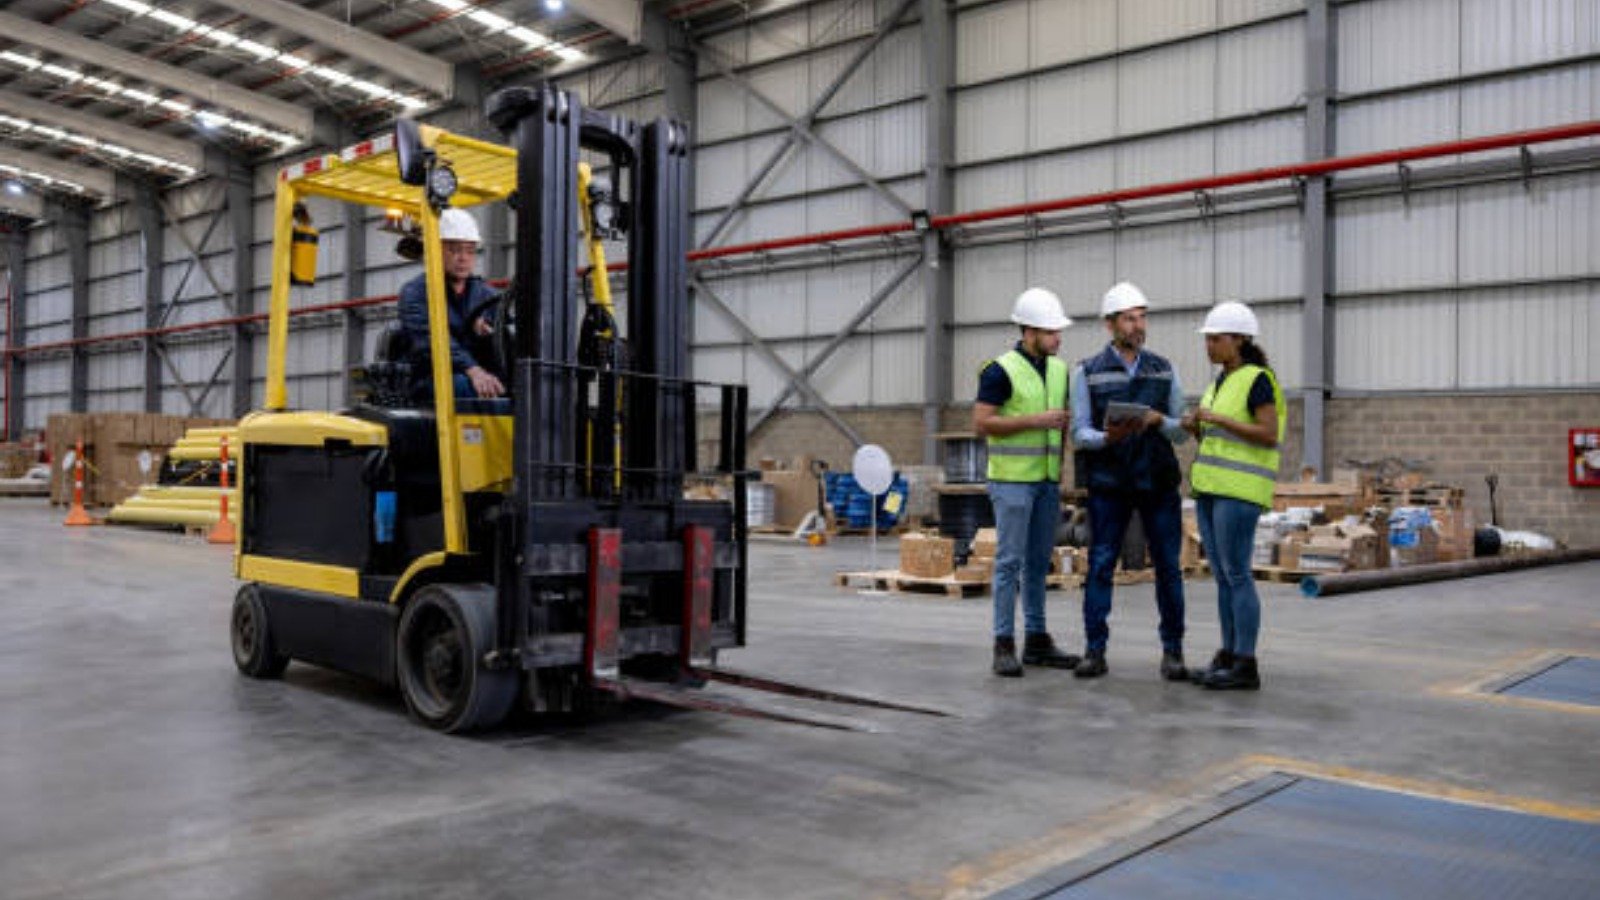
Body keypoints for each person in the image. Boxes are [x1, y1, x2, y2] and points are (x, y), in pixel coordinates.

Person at [1070, 282, 1191, 681]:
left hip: (1157, 482)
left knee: (1168, 568)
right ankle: (1094, 650)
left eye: (1142, 317)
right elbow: (1079, 434)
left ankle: (1173, 652)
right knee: (1102, 563)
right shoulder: (1086, 371)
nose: (1139, 325)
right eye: (1130, 318)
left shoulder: (1164, 368)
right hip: (1110, 483)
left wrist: (1162, 421)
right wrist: (1108, 438)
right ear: (1110, 325)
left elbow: (1179, 433)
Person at [974, 287, 1082, 677]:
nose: (1058, 337)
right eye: (1052, 331)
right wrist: (1037, 421)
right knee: (1009, 562)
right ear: (1029, 331)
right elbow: (982, 422)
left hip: (1047, 483)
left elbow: (1062, 423)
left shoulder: (1059, 370)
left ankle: (1036, 640)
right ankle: (1003, 643)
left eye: (1058, 331)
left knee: (1038, 563)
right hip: (1012, 482)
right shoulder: (999, 370)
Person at [1182, 301, 1283, 691]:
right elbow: (1216, 437)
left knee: (1237, 574)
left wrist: (1218, 418)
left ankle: (1246, 662)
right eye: (1207, 339)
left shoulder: (1258, 379)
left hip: (1239, 492)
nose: (1209, 346)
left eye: (1216, 339)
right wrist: (1196, 427)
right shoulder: (1219, 382)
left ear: (1239, 339)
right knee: (1223, 576)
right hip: (1210, 489)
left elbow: (1268, 433)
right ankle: (1227, 653)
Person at [396, 207, 505, 400]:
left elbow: (507, 334)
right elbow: (429, 341)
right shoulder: (415, 293)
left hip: (477, 372)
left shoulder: (487, 294)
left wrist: (490, 335)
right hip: (428, 376)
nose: (463, 258)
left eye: (469, 251)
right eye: (454, 250)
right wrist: (472, 369)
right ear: (434, 250)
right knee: (464, 388)